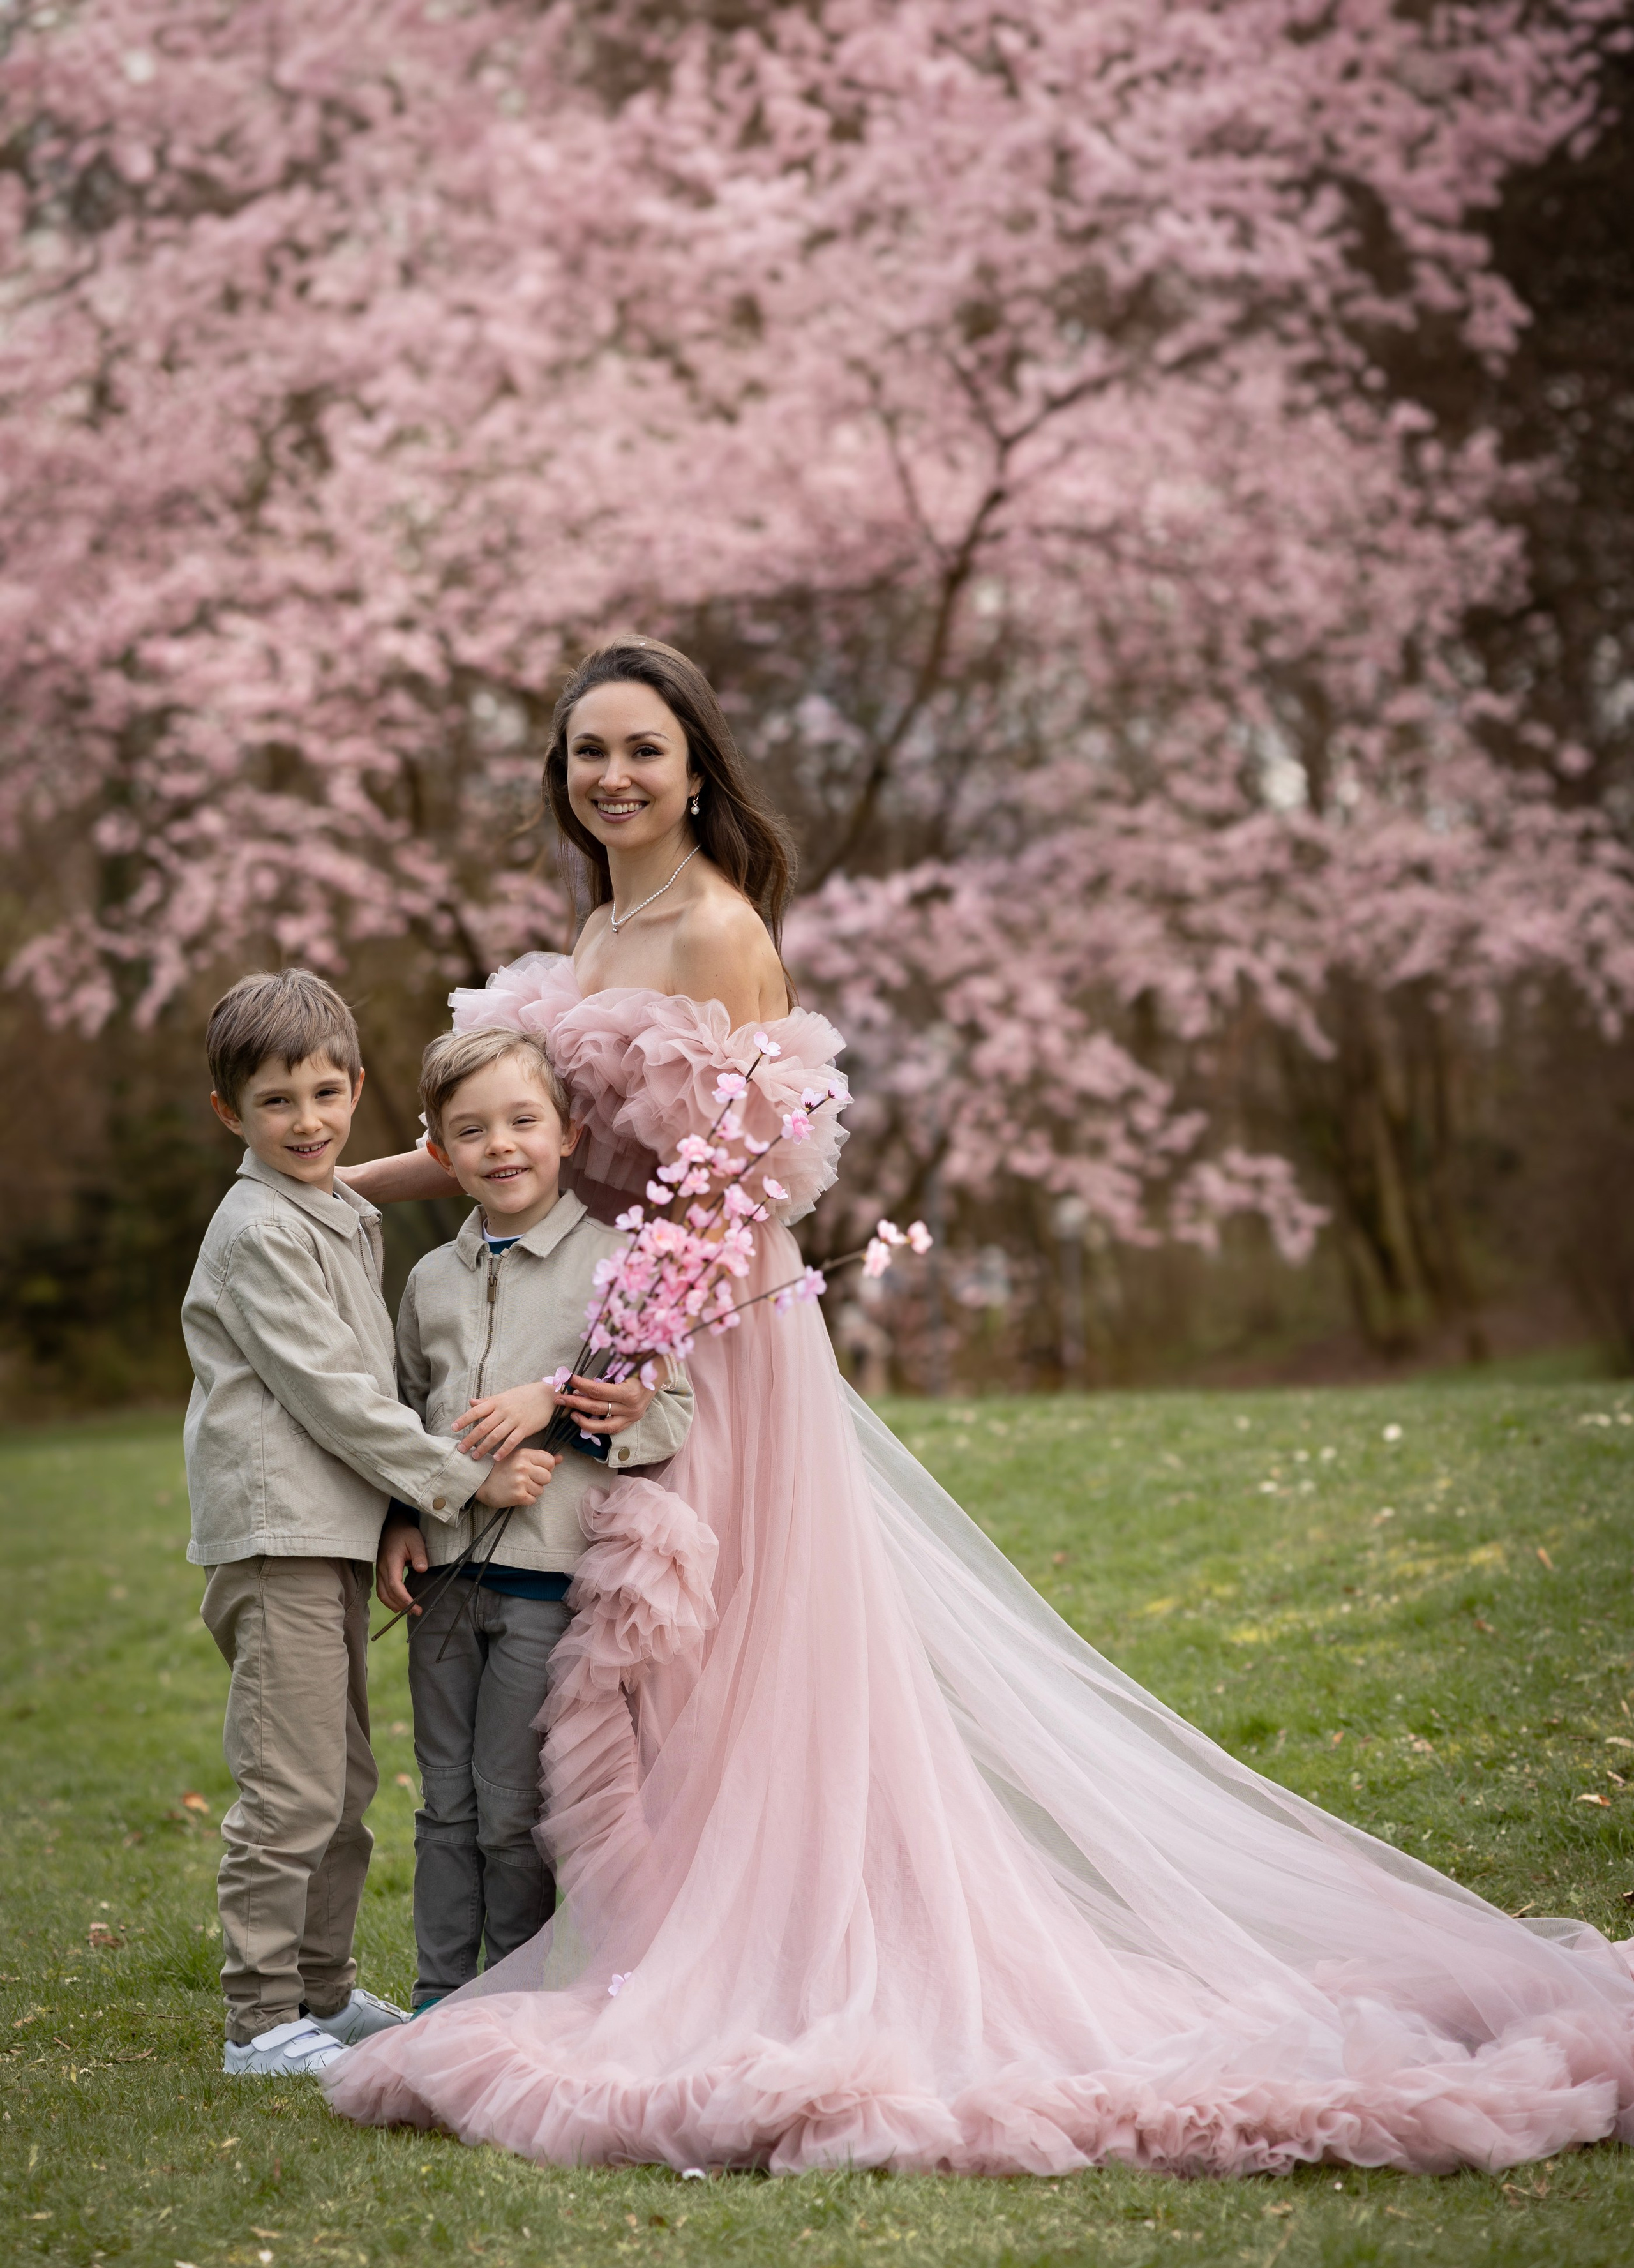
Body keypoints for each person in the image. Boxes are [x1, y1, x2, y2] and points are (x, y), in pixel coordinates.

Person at [328, 641, 1634, 2173]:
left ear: (697, 768)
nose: (611, 776)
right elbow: (525, 1142)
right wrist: (312, 1196)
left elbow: (729, 1199)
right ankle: (637, 1928)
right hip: (603, 1320)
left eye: (643, 750)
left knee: (698, 1652)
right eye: (586, 753)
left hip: (688, 1349)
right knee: (645, 1671)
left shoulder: (715, 933)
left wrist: (585, 1375)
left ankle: (753, 1945)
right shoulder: (603, 922)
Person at [183, 970, 551, 2078]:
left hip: (331, 1531)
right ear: (229, 1116)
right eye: (278, 1102)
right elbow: (338, 1394)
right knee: (290, 1786)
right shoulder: (258, 1232)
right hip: (276, 1536)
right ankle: (259, 2019)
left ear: (356, 1090)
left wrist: (398, 1504)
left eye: (328, 1094)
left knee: (339, 1783)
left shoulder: (336, 1209)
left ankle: (323, 1992)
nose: (309, 1122)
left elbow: (375, 1364)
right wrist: (456, 1479)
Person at [374, 1023, 693, 2015]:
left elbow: (669, 1413)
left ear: (568, 1130)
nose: (500, 1145)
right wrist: (401, 1518)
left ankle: (507, 2003)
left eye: (522, 1121)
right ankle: (437, 2001)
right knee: (445, 1807)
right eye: (470, 1130)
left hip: (545, 1584)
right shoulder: (429, 1281)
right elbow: (402, 1412)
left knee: (512, 1811)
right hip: (440, 1582)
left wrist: (565, 1402)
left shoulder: (617, 1267)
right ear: (441, 1150)